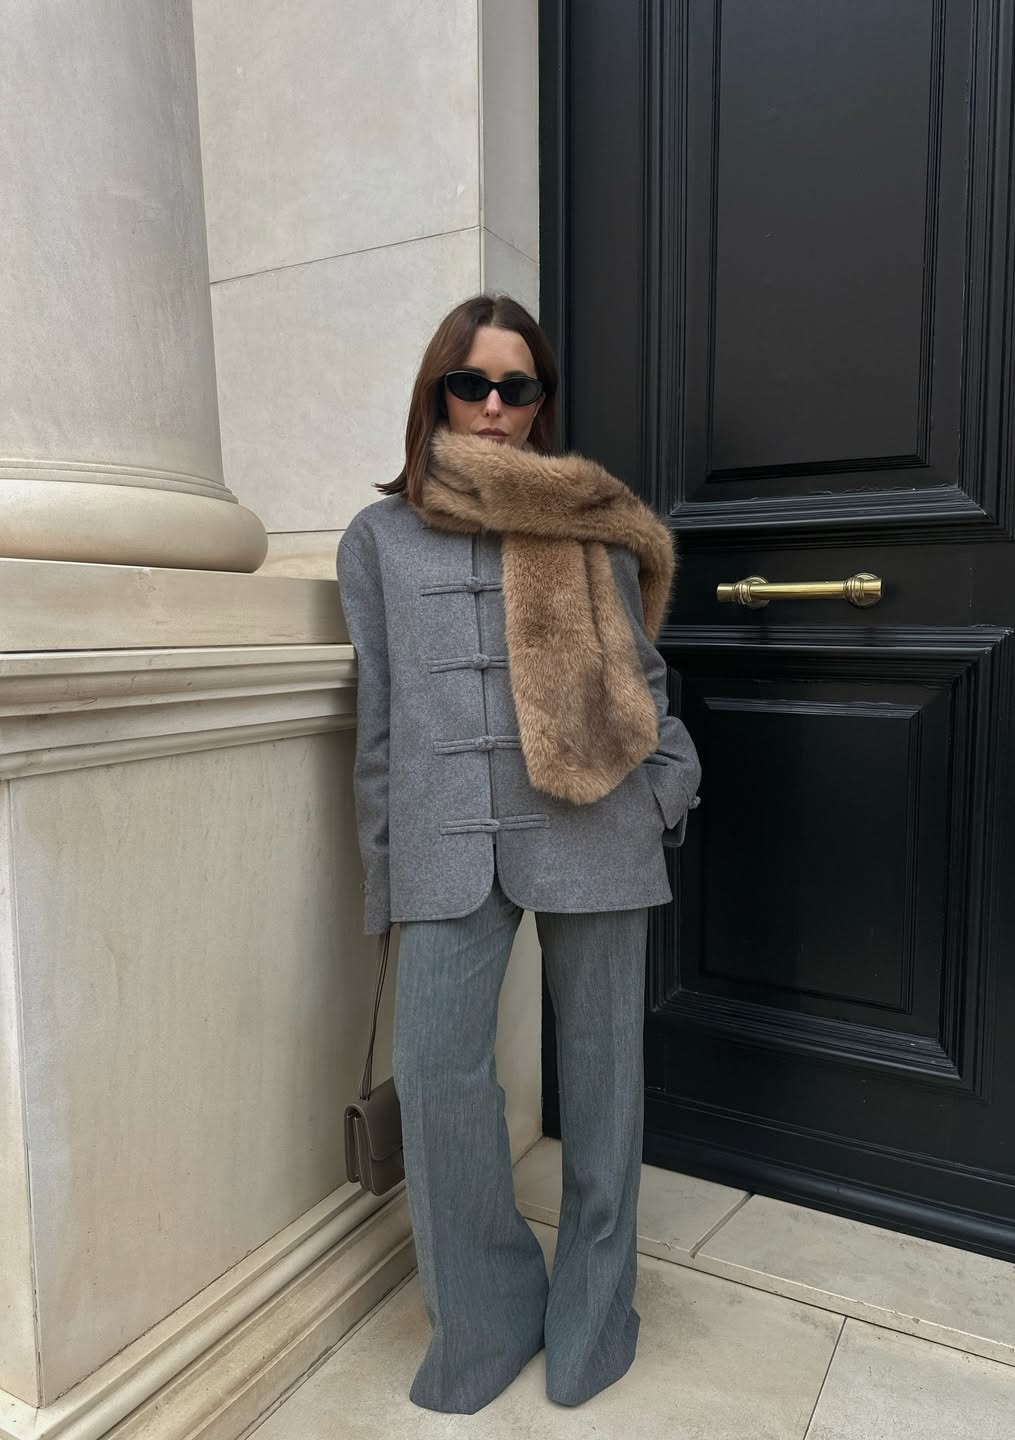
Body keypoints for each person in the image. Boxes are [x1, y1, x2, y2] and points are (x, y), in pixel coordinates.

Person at [336, 294, 702, 1415]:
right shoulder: (377, 539)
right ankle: (485, 1315)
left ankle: (597, 1315)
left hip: (594, 819)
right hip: (449, 843)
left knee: (602, 1085)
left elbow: (641, 678)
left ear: (541, 402)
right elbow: (382, 720)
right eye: (472, 384)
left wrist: (668, 792)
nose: (494, 409)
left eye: (518, 387)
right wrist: (386, 865)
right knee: (441, 1076)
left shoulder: (583, 519)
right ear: (436, 389)